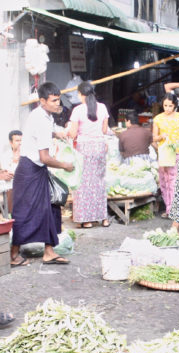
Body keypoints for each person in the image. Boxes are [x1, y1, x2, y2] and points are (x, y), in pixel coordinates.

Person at [11, 82, 73, 267]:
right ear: (42, 101)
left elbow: (42, 133)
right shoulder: (40, 119)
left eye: (58, 99)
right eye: (53, 100)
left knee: (49, 208)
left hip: (37, 170)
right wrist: (65, 165)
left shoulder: (44, 115)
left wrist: (56, 134)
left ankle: (49, 251)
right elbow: (45, 157)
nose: (57, 103)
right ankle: (13, 254)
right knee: (24, 212)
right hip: (29, 170)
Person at [68, 82, 110, 228]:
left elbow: (72, 133)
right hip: (99, 147)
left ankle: (86, 220)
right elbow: (104, 130)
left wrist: (68, 131)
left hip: (84, 148)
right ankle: (103, 217)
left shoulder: (78, 110)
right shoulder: (103, 107)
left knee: (84, 184)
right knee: (99, 182)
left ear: (80, 94)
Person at [152, 93, 179, 218]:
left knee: (175, 182)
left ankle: (174, 209)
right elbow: (154, 137)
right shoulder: (158, 119)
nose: (167, 108)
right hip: (165, 154)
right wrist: (161, 137)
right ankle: (168, 207)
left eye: (170, 106)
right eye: (165, 105)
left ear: (175, 105)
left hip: (178, 153)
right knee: (165, 182)